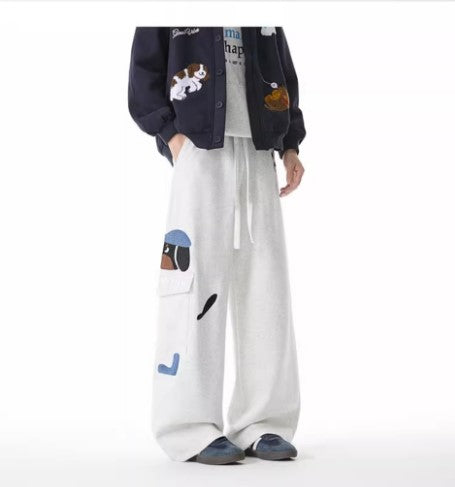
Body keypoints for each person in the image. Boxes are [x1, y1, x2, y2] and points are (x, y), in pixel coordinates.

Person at [128, 26, 306, 465]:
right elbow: (144, 70)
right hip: (198, 148)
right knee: (191, 285)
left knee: (266, 286)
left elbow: (282, 67)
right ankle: (186, 426)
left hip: (259, 149)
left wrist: (290, 144)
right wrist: (171, 136)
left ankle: (263, 421)